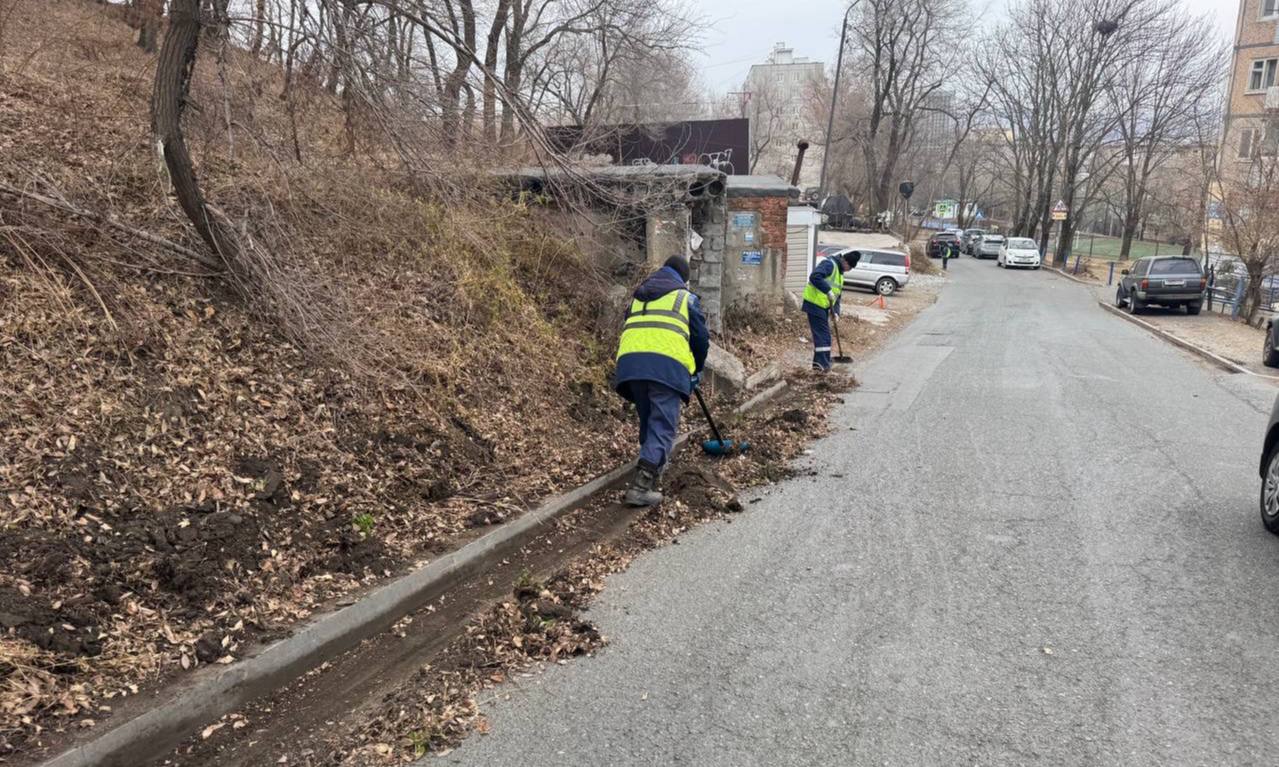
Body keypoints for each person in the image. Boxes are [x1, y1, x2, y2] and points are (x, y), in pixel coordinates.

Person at [614, 255, 709, 507]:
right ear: (683, 279)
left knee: (649, 422)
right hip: (665, 369)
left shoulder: (637, 296)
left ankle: (652, 469)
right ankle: (640, 487)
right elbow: (700, 340)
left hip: (631, 367)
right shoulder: (684, 298)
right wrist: (695, 369)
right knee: (663, 426)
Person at [802, 251, 850, 371]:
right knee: (823, 336)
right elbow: (814, 276)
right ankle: (822, 365)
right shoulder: (829, 264)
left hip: (823, 307)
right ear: (844, 261)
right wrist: (827, 290)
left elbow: (838, 296)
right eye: (849, 267)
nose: (849, 270)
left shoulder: (840, 274)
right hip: (814, 304)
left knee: (825, 336)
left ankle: (821, 364)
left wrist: (836, 312)